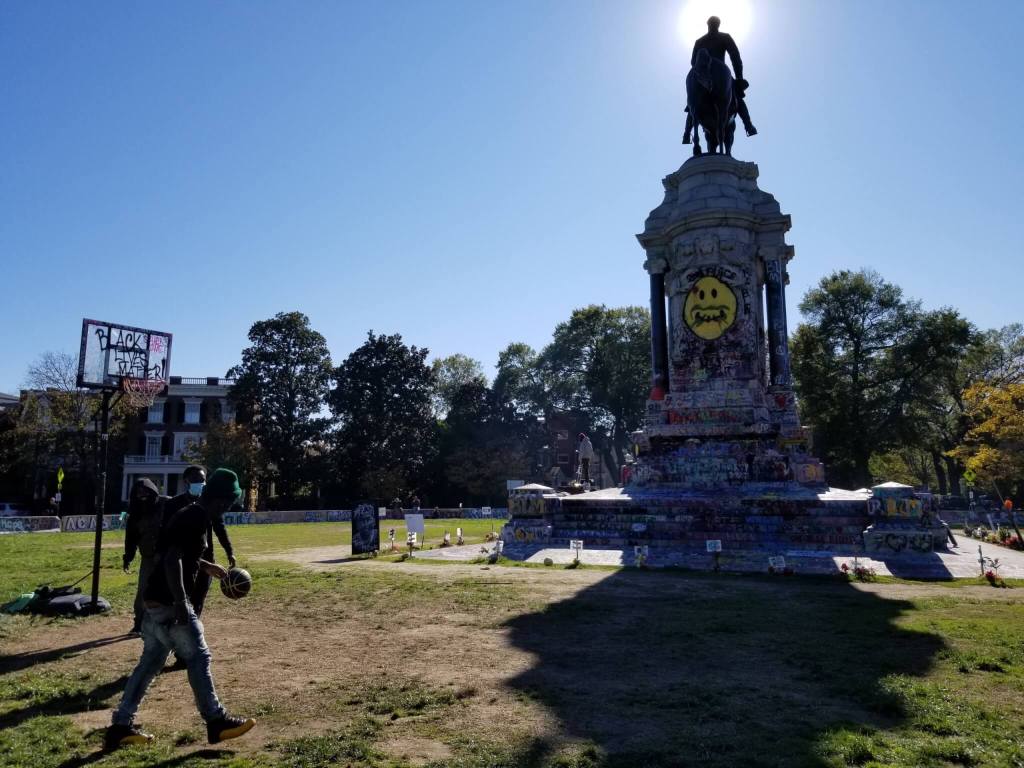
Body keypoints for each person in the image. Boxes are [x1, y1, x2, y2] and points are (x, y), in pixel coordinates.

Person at [105, 468, 256, 749]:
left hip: (152, 600)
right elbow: (172, 558)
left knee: (150, 662)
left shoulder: (190, 512)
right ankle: (215, 720)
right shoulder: (197, 517)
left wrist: (206, 565)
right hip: (167, 601)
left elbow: (179, 551)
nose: (229, 508)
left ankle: (120, 725)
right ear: (221, 500)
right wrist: (180, 602)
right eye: (230, 503)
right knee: (198, 657)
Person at [684, 16, 757, 141]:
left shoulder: (699, 41)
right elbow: (735, 58)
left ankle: (687, 134)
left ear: (708, 25)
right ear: (718, 25)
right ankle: (748, 125)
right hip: (720, 75)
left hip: (701, 74)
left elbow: (692, 62)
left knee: (692, 104)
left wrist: (700, 75)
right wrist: (739, 78)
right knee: (737, 97)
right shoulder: (725, 37)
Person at [123, 479, 166, 634]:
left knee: (171, 589)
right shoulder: (135, 513)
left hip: (168, 556)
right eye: (139, 493)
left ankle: (169, 621)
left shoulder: (166, 504)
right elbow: (131, 538)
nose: (142, 496)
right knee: (143, 592)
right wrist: (128, 556)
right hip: (148, 557)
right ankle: (139, 622)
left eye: (145, 492)